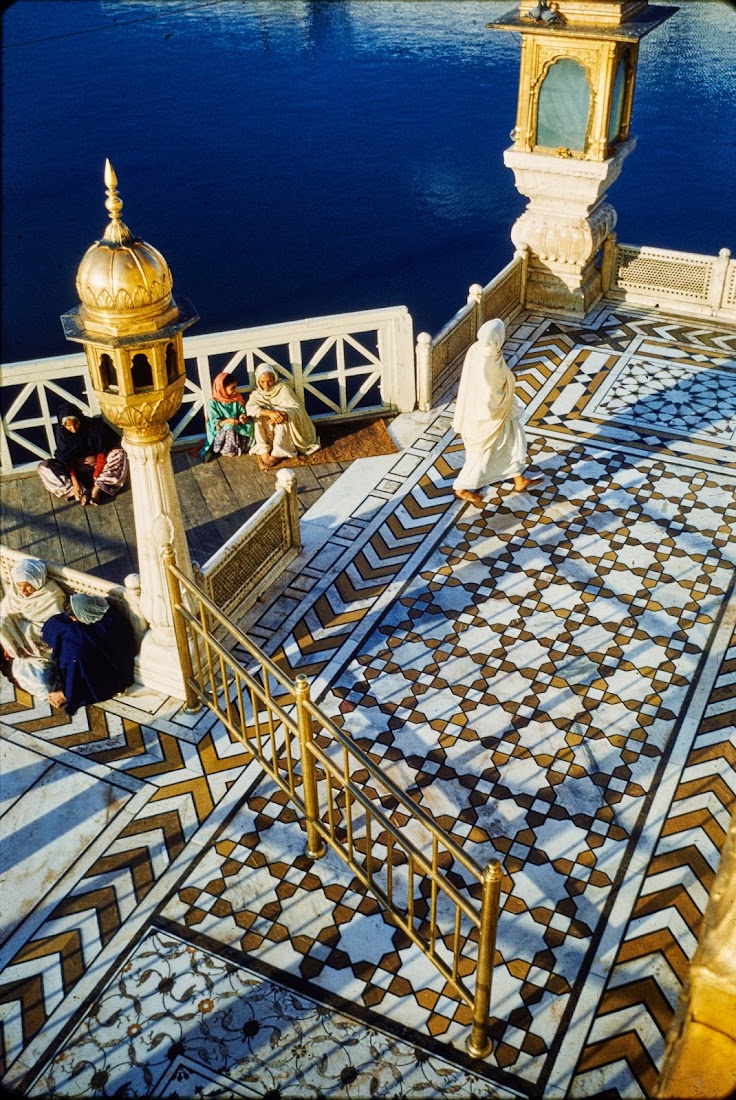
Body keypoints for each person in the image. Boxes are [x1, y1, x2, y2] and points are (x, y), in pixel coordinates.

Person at [452, 319, 540, 507]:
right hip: (488, 417)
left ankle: (519, 479)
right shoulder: (488, 359)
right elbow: (491, 393)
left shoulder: (479, 349)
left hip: (497, 412)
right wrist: (511, 379)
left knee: (511, 442)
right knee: (481, 454)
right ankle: (460, 488)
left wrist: (507, 379)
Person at [42, 593, 137, 716]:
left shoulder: (109, 627)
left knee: (74, 656)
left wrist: (67, 694)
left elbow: (88, 655)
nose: (73, 620)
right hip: (87, 656)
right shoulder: (91, 611)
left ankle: (66, 693)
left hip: (106, 671)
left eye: (74, 618)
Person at [37, 401, 128, 506]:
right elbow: (66, 459)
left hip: (100, 468)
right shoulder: (63, 435)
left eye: (75, 423)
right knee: (43, 467)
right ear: (63, 426)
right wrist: (75, 483)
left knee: (120, 453)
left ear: (80, 419)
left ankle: (97, 488)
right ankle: (80, 492)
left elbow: (103, 451)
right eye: (68, 426)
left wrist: (96, 477)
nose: (73, 429)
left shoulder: (95, 428)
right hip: (76, 472)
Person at [0, 558, 65, 700]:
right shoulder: (14, 594)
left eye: (28, 585)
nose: (23, 590)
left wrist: (19, 630)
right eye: (19, 585)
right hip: (18, 644)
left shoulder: (51, 597)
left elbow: (52, 627)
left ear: (37, 582)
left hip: (39, 648)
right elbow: (4, 614)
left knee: (41, 681)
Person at [245, 364, 320, 469]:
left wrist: (282, 414)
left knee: (281, 419)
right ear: (258, 381)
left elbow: (297, 409)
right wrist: (269, 413)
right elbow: (249, 408)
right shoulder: (257, 394)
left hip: (285, 426)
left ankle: (278, 453)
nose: (266, 385)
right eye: (262, 382)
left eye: (269, 381)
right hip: (269, 428)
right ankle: (263, 449)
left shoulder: (283, 388)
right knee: (257, 418)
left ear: (274, 378)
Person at [200, 372, 253, 461]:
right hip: (221, 431)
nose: (236, 390)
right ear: (222, 389)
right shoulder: (213, 403)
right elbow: (214, 424)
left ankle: (242, 446)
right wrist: (228, 421)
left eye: (235, 387)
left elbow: (241, 412)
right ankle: (227, 450)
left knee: (251, 424)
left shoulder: (236, 398)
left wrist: (242, 417)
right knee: (229, 427)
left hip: (236, 426)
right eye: (232, 388)